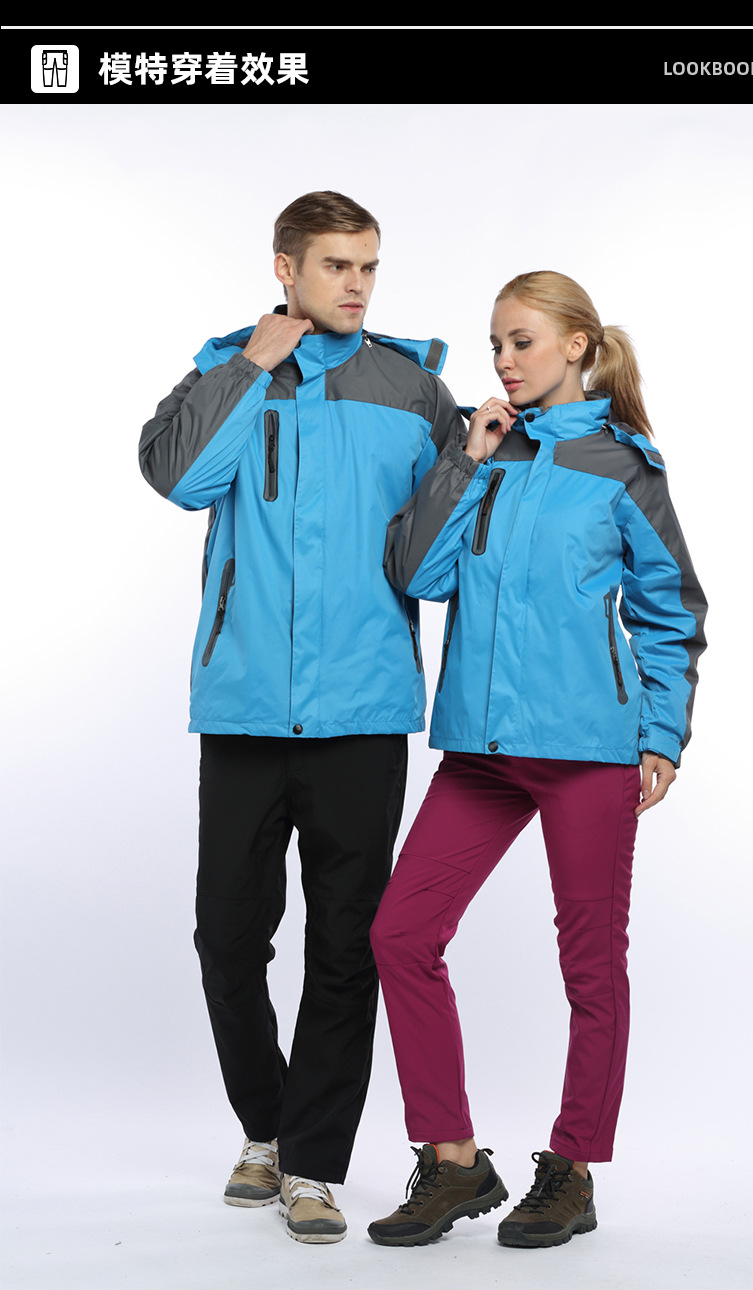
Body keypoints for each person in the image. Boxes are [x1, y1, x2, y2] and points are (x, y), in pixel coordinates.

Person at [138, 191, 465, 1244]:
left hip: (363, 711)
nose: (357, 286)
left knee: (346, 947)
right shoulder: (227, 368)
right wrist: (250, 364)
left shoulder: (414, 392)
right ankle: (266, 1128)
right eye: (335, 266)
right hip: (242, 706)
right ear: (286, 269)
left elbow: (440, 549)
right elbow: (179, 479)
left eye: (368, 266)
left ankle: (313, 1164)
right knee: (228, 939)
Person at [367, 270, 707, 1249]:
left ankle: (572, 1169)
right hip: (481, 749)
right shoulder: (488, 452)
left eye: (521, 341)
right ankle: (453, 1160)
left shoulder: (623, 466)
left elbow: (670, 610)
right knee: (401, 935)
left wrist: (660, 733)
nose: (504, 361)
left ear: (575, 345)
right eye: (495, 344)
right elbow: (417, 574)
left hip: (587, 747)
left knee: (591, 966)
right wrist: (464, 462)